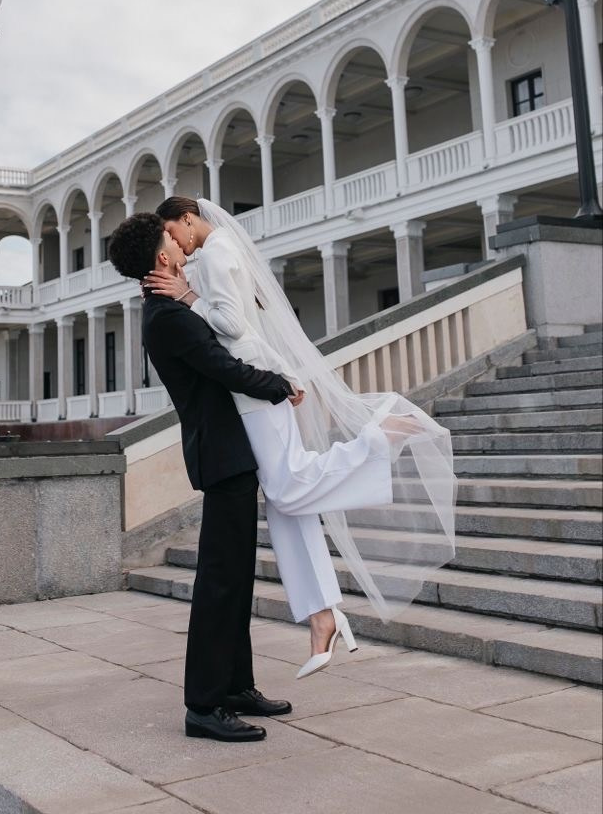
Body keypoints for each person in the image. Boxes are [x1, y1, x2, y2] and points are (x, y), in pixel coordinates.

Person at [146, 196, 457, 676]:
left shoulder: (214, 255)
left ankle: (380, 438)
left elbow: (228, 322)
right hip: (252, 375)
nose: (176, 245)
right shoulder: (220, 251)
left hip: (251, 380)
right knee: (286, 498)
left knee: (289, 485)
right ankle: (322, 614)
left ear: (188, 220)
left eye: (173, 231)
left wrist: (188, 297)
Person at [107, 212, 297, 743]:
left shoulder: (169, 305)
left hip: (229, 452)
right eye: (170, 235)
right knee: (219, 582)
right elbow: (222, 366)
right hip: (220, 454)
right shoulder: (165, 316)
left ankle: (237, 687)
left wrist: (192, 294)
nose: (178, 235)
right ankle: (204, 705)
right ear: (163, 257)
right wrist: (280, 384)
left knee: (234, 579)